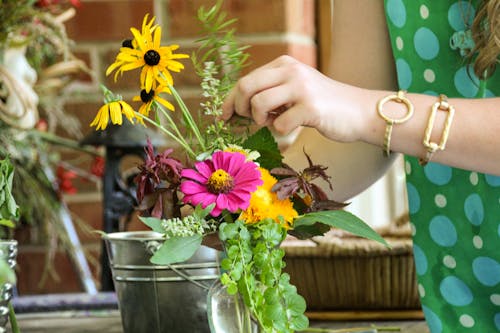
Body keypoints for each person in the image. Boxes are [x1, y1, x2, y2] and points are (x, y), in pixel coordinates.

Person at [222, 1, 500, 332]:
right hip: (462, 303)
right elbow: (355, 141)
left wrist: (370, 111)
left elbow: (363, 112)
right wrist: (231, 201)